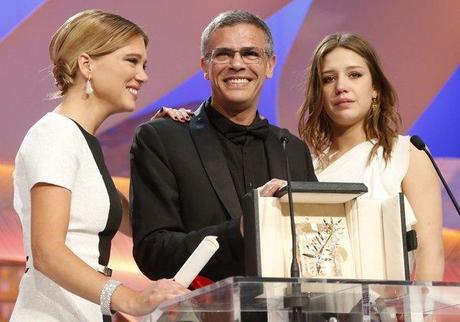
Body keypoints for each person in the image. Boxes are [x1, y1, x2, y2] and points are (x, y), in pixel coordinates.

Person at [11, 10, 187, 321]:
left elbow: (140, 226)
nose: (143, 75)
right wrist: (131, 299)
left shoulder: (82, 144)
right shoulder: (56, 134)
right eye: (132, 61)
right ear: (87, 64)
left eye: (144, 65)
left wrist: (159, 151)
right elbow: (47, 252)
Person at [130, 10, 317, 282]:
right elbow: (154, 252)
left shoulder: (293, 150)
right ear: (205, 66)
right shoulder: (161, 139)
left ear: (270, 65)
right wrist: (240, 230)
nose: (237, 64)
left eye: (251, 53)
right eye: (223, 54)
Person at [295, 32, 444, 281]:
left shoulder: (407, 155)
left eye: (354, 75)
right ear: (318, 93)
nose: (341, 86)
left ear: (374, 88)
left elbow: (430, 252)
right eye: (328, 79)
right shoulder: (304, 166)